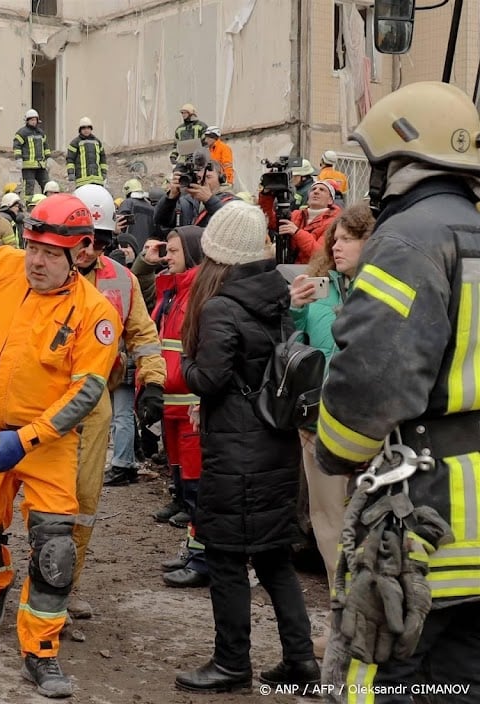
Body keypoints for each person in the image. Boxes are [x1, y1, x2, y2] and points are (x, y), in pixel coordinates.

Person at [316, 81, 480, 702]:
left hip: (426, 526)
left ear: (397, 161)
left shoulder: (408, 240)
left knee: (379, 676)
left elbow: (371, 384)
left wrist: (334, 450)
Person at [0, 193, 120, 699]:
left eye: (50, 253)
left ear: (81, 252)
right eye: (33, 247)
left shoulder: (95, 312)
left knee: (54, 548)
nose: (36, 261)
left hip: (48, 442)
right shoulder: (4, 266)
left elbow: (85, 393)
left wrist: (28, 438)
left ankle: (41, 653)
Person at [174, 201, 317, 693]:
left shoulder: (219, 306)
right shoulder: (278, 293)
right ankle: (300, 660)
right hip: (276, 446)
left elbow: (210, 379)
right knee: (275, 559)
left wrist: (184, 367)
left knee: (226, 557)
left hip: (236, 452)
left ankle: (232, 662)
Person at [71, 184, 167, 618]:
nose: (88, 248)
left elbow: (144, 337)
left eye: (97, 239)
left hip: (95, 405)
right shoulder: (38, 274)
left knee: (84, 501)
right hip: (38, 403)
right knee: (32, 501)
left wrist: (155, 382)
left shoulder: (122, 281)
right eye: (81, 237)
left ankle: (63, 585)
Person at [287, 203, 374, 657]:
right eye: (333, 239)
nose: (335, 245)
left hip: (371, 425)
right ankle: (343, 628)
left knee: (371, 531)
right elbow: (296, 344)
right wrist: (295, 310)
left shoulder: (383, 291)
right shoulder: (320, 287)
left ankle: (372, 628)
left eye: (347, 238)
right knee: (328, 528)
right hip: (317, 423)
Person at [152, 226, 209, 588]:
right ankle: (194, 548)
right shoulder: (172, 289)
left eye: (173, 251)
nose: (166, 257)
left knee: (197, 489)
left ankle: (203, 557)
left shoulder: (197, 292)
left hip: (190, 405)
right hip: (174, 405)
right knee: (185, 487)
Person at [154, 159, 237, 231]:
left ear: (221, 179)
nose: (202, 181)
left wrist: (209, 200)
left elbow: (235, 224)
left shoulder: (232, 202)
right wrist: (171, 198)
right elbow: (160, 221)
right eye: (198, 178)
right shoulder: (184, 202)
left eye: (208, 177)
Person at [277, 180, 342, 264]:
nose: (316, 191)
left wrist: (297, 232)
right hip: (290, 264)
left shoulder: (334, 222)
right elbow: (272, 223)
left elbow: (319, 254)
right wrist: (266, 196)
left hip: (312, 268)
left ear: (330, 200)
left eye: (322, 190)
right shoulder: (296, 214)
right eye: (313, 189)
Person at [13, 108, 51, 196]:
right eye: (31, 120)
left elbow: (46, 147)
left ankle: (47, 203)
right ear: (27, 121)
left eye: (35, 120)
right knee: (29, 186)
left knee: (47, 185)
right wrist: (18, 159)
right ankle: (29, 205)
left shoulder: (41, 133)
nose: (33, 122)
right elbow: (17, 146)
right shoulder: (22, 133)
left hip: (40, 165)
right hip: (28, 167)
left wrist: (48, 158)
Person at [66, 117, 108, 187]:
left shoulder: (97, 142)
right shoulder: (75, 143)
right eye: (84, 128)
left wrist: (104, 172)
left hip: (97, 180)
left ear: (91, 129)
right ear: (80, 130)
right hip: (82, 180)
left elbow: (103, 158)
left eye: (88, 128)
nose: (86, 130)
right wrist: (71, 173)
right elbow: (70, 159)